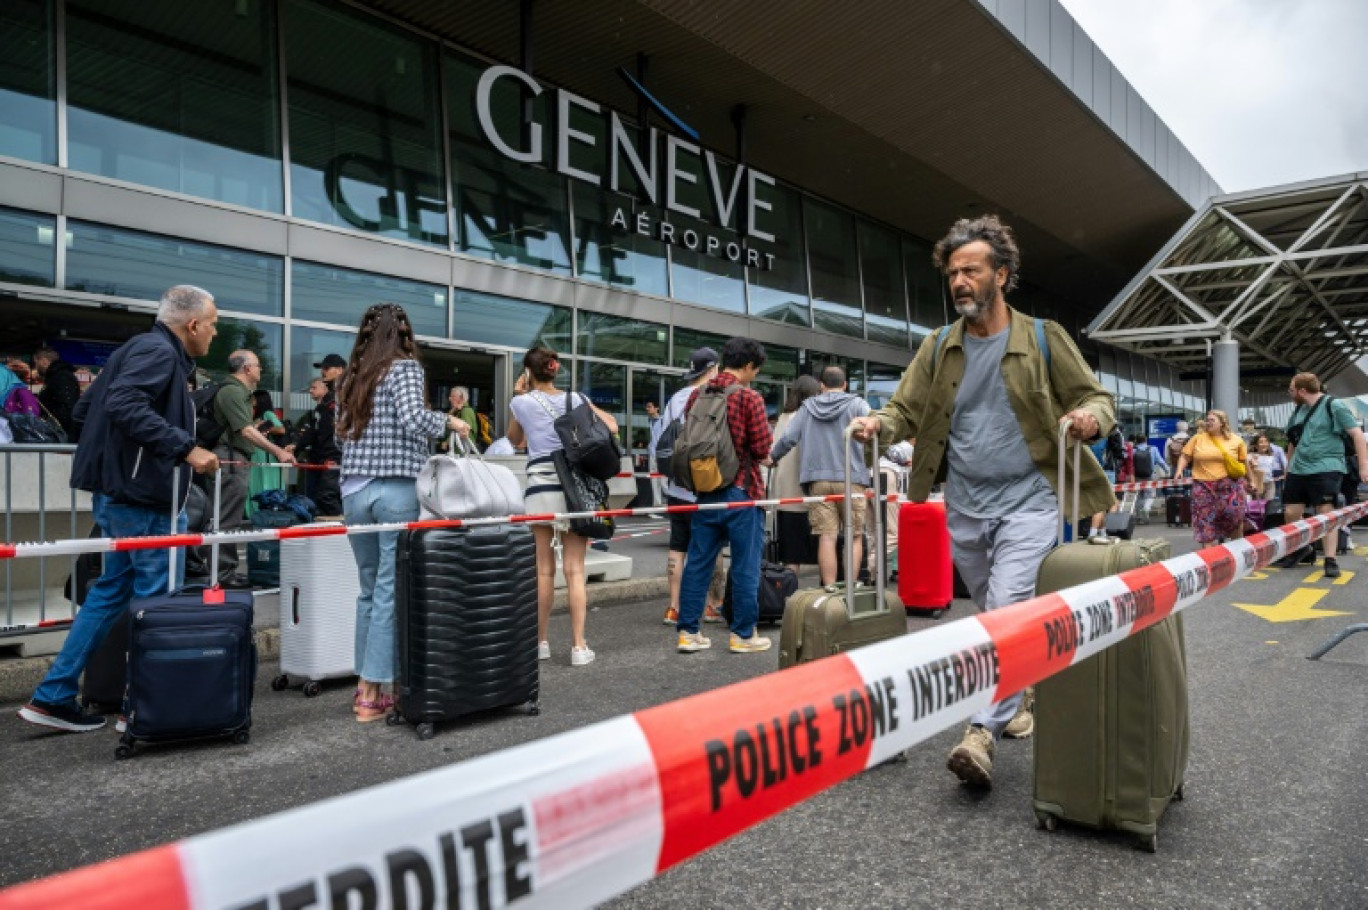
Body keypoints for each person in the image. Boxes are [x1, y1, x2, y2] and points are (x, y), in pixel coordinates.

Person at [850, 215, 1115, 790]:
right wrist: (878, 423)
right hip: (965, 503)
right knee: (989, 611)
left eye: (971, 270)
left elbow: (1094, 393)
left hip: (1032, 499)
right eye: (953, 273)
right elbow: (906, 410)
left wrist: (1091, 418)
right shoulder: (938, 347)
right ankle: (1018, 695)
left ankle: (980, 733)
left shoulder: (1043, 336)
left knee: (1007, 606)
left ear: (1002, 274)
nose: (959, 282)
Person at [17, 286, 221, 733]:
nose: (214, 333)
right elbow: (123, 404)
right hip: (145, 498)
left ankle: (52, 697)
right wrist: (184, 446)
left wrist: (120, 462)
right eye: (212, 324)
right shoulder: (160, 353)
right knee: (157, 601)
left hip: (121, 492)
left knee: (111, 593)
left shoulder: (138, 348)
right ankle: (145, 705)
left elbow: (91, 407)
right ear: (192, 325)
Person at [336, 304, 470, 721]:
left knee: (367, 588)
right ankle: (374, 691)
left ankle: (363, 686)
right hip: (395, 489)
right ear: (403, 334)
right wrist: (451, 423)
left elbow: (341, 436)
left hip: (354, 489)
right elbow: (414, 419)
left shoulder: (352, 377)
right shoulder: (405, 369)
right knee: (390, 590)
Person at [508, 346, 618, 667]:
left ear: (529, 372)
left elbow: (515, 439)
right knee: (575, 570)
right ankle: (579, 647)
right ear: (555, 370)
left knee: (543, 570)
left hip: (540, 488)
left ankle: (540, 642)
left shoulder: (521, 402)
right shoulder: (578, 399)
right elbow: (610, 425)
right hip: (575, 490)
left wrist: (519, 393)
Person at [674, 337, 775, 655]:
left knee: (698, 562)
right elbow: (761, 449)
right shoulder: (749, 398)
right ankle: (743, 635)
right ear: (747, 366)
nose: (754, 375)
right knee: (745, 565)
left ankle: (688, 634)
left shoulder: (698, 395)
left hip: (705, 490)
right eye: (755, 369)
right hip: (742, 491)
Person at [768, 365, 872, 586]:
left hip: (818, 481)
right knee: (854, 536)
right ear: (844, 385)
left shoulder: (807, 408)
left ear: (822, 385)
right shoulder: (858, 405)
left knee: (827, 535)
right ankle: (851, 589)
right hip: (851, 479)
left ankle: (830, 589)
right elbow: (874, 433)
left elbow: (788, 438)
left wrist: (773, 457)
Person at [650, 347, 728, 625]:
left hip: (676, 487)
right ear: (713, 369)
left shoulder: (674, 400)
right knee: (710, 546)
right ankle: (711, 604)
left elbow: (660, 441)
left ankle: (674, 607)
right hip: (705, 485)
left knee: (677, 547)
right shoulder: (715, 397)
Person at [210, 350, 296, 586]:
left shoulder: (239, 393)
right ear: (246, 369)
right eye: (258, 366)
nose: (261, 370)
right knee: (226, 518)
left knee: (227, 516)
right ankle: (222, 575)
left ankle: (222, 571)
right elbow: (246, 430)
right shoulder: (232, 392)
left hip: (234, 457)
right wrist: (277, 451)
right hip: (230, 459)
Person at [1272, 373, 1368, 578]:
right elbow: (1293, 441)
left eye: (1291, 390)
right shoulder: (1298, 410)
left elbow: (1357, 434)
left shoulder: (1333, 406)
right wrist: (1288, 468)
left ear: (1302, 391)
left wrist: (1364, 466)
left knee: (1325, 510)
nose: (1290, 394)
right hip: (1299, 468)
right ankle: (1300, 548)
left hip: (1327, 466)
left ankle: (1330, 559)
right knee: (1291, 511)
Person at [1174, 410, 1251, 551]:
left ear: (1222, 423)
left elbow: (1244, 462)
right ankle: (1209, 557)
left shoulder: (1236, 440)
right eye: (1207, 420)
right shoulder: (1198, 438)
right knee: (1205, 522)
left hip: (1229, 487)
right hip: (1203, 487)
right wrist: (1179, 470)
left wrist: (1251, 480)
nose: (1208, 422)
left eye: (1212, 420)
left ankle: (1238, 551)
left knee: (1234, 519)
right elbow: (1185, 456)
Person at [769, 375, 822, 575]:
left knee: (790, 554)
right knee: (807, 549)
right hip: (801, 493)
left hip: (783, 494)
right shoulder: (804, 417)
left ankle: (786, 593)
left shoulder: (783, 417)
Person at [247, 389, 287, 516]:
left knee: (265, 483)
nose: (251, 401)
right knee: (255, 482)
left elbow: (281, 429)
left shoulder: (268, 414)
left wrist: (264, 428)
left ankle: (267, 510)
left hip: (265, 454)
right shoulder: (255, 416)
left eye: (253, 398)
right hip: (255, 454)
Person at [33, 347, 82, 439]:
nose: (36, 367)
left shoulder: (61, 377)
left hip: (61, 434)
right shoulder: (57, 376)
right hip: (59, 432)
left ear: (44, 361)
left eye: (36, 363)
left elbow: (67, 407)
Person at [440, 386, 479, 453]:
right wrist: (452, 411)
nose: (450, 399)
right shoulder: (458, 411)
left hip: (462, 452)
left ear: (461, 398)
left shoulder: (466, 411)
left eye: (453, 396)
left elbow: (464, 430)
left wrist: (447, 442)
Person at [1250, 436, 1276, 501]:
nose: (1264, 444)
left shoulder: (1271, 457)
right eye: (1261, 442)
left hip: (1269, 484)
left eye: (1266, 441)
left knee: (1269, 506)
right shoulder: (1251, 456)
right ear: (1256, 446)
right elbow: (1248, 472)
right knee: (1257, 507)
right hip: (1257, 484)